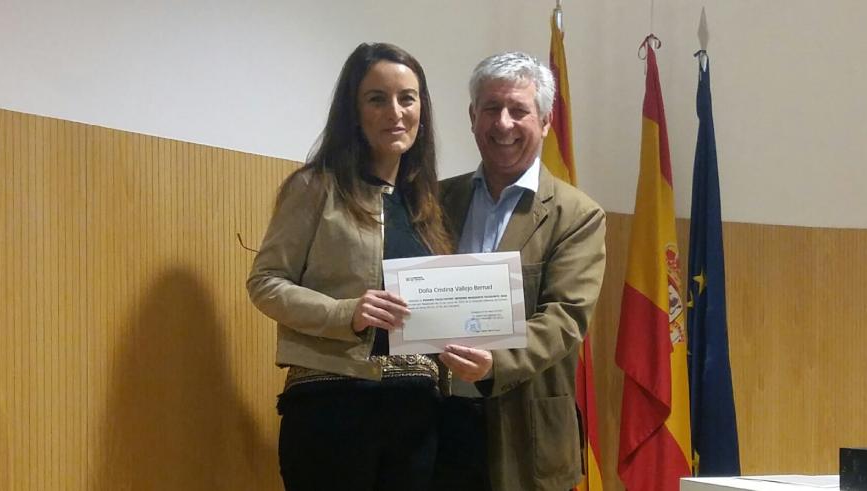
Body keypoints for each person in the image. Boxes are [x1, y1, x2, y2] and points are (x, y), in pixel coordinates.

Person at [246, 42, 450, 491]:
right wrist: (346, 313)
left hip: (417, 412)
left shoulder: (428, 204)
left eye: (407, 98)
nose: (395, 111)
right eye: (376, 98)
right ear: (353, 111)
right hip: (332, 408)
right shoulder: (314, 186)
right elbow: (265, 283)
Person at [432, 51, 607, 491]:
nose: (503, 124)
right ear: (473, 117)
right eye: (491, 108)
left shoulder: (578, 215)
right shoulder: (433, 202)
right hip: (435, 423)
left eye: (518, 110)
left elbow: (564, 318)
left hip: (526, 429)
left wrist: (495, 363)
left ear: (546, 121)